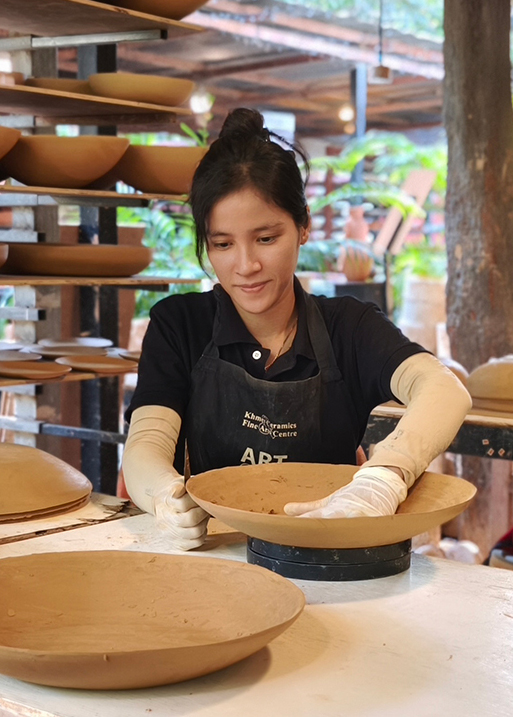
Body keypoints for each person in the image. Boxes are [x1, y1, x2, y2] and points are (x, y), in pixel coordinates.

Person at [122, 108, 472, 551]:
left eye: (266, 238)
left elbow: (444, 391)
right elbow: (146, 444)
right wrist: (164, 496)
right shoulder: (180, 324)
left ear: (303, 225)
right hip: (216, 555)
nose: (246, 265)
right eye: (222, 244)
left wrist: (382, 480)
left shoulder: (349, 326)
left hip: (331, 559)